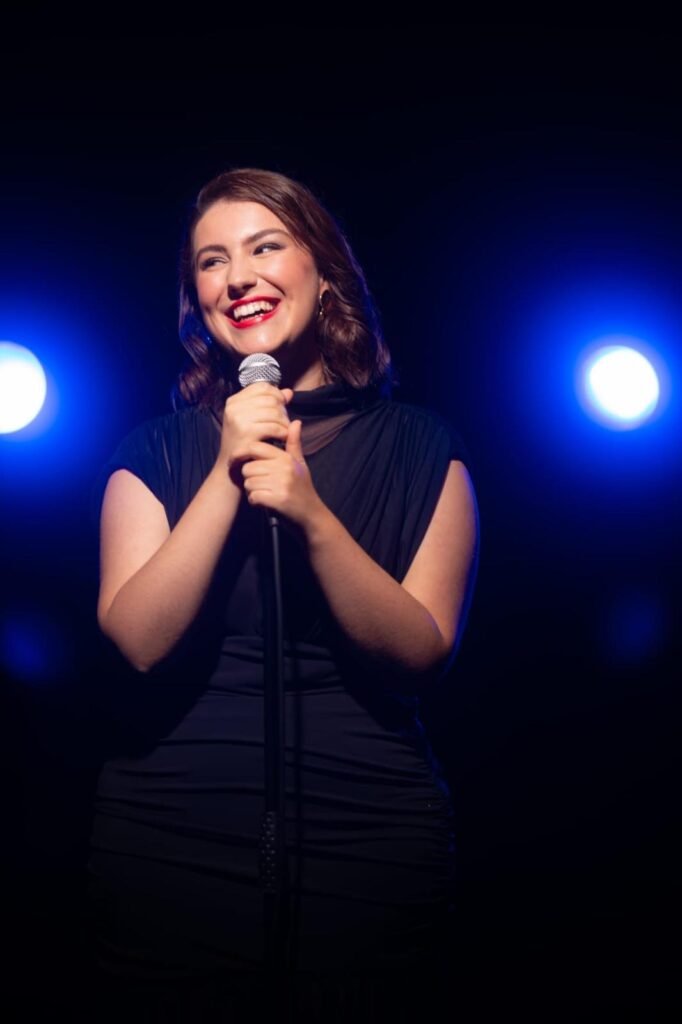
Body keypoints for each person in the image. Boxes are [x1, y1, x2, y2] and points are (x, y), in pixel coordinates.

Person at [87, 168, 478, 1022]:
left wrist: (309, 513)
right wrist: (228, 473)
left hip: (367, 842)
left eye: (265, 247)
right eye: (212, 261)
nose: (238, 278)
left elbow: (421, 655)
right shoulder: (151, 453)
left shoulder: (423, 449)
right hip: (170, 843)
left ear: (324, 271)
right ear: (197, 300)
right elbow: (139, 641)